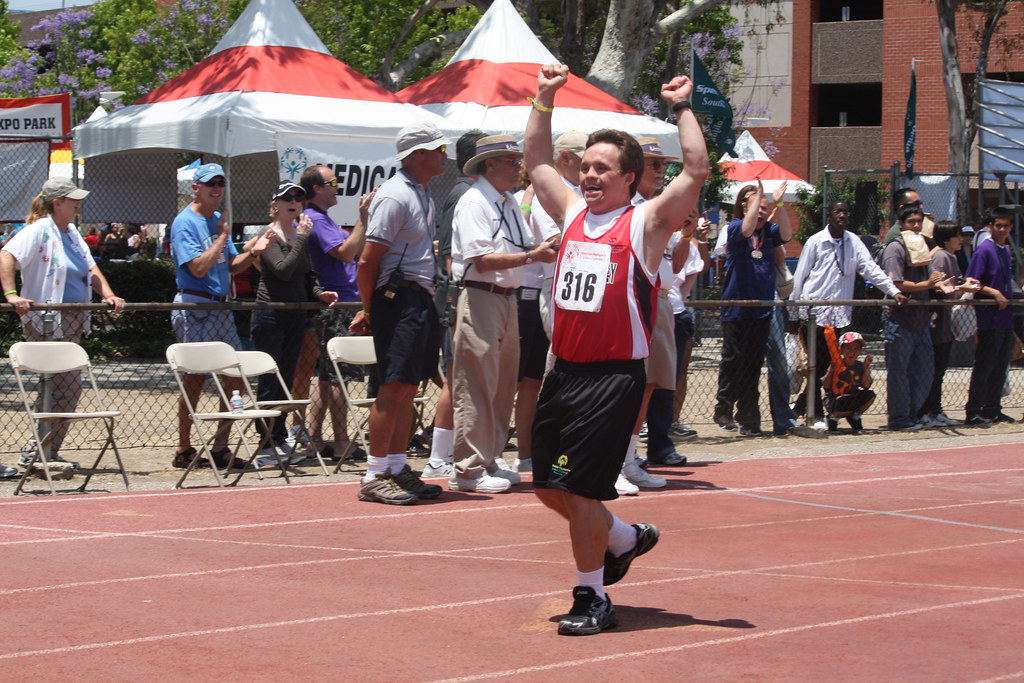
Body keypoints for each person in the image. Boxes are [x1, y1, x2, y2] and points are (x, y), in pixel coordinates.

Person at [524, 63, 708, 636]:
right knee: (549, 486)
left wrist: (682, 107)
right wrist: (544, 98)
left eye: (604, 169)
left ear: (631, 178)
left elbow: (697, 168)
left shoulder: (646, 224)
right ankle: (624, 537)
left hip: (613, 378)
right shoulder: (573, 213)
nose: (589, 176)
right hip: (565, 373)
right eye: (585, 167)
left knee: (579, 490)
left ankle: (592, 595)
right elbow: (534, 160)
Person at [448, 135, 558, 493]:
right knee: (476, 384)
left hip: (507, 297)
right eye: (510, 162)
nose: (517, 168)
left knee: (501, 384)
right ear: (489, 164)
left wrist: (545, 247)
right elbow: (481, 260)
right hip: (481, 296)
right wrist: (533, 257)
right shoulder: (473, 202)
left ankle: (489, 458)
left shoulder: (508, 200)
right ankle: (467, 469)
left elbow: (525, 244)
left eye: (517, 161)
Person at [349, 122, 450, 505]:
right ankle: (375, 474)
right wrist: (371, 308)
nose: (443, 154)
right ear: (418, 155)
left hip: (417, 298)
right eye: (437, 148)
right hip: (400, 298)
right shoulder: (395, 195)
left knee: (408, 387)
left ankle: (395, 465)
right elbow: (366, 262)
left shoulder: (420, 192)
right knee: (393, 388)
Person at [0, 177, 126, 475]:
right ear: (57, 203)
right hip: (46, 321)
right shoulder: (39, 229)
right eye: (72, 200)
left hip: (70, 320)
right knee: (62, 388)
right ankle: (38, 452)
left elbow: (90, 268)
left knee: (64, 388)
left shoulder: (70, 232)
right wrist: (11, 294)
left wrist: (107, 294)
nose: (78, 203)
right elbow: (6, 254)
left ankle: (45, 451)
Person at [170, 162, 275, 470]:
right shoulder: (185, 223)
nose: (217, 188)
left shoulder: (218, 220)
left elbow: (231, 266)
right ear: (196, 187)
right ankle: (184, 448)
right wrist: (221, 237)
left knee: (234, 377)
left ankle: (220, 447)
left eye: (220, 182)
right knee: (195, 378)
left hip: (220, 306)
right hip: (195, 306)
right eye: (210, 182)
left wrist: (255, 251)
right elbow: (198, 268)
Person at [790, 200, 904, 426]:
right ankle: (815, 415)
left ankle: (801, 407)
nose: (841, 215)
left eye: (845, 212)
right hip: (815, 315)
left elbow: (871, 270)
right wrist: (793, 314)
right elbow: (800, 276)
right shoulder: (816, 242)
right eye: (837, 211)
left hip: (840, 315)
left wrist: (893, 291)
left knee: (835, 366)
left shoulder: (854, 242)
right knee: (816, 366)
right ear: (829, 215)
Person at [250, 180, 339, 465]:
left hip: (295, 315)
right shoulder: (270, 236)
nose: (293, 202)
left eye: (298, 199)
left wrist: (319, 293)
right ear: (274, 205)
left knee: (286, 380)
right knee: (269, 380)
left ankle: (279, 440)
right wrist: (301, 238)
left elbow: (306, 276)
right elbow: (283, 271)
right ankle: (266, 444)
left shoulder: (299, 236)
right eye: (287, 198)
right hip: (270, 314)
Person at [422, 130, 487, 478]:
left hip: (462, 297)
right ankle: (438, 457)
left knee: (463, 377)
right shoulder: (464, 195)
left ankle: (456, 452)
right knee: (455, 377)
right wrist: (457, 299)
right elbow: (449, 257)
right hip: (457, 299)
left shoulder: (475, 194)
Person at [302, 165, 371, 462]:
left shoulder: (321, 218)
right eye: (332, 182)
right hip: (337, 305)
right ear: (317, 188)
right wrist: (363, 219)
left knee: (329, 378)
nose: (337, 187)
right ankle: (341, 442)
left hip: (342, 303)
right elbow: (345, 252)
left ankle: (315, 440)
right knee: (339, 377)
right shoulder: (316, 219)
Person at [713, 179, 792, 436]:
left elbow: (787, 235)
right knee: (733, 359)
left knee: (752, 364)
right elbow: (746, 231)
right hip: (736, 306)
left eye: (763, 206)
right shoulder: (735, 227)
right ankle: (723, 407)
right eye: (754, 205)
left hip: (762, 308)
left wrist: (779, 203)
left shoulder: (768, 231)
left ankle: (748, 415)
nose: (760, 211)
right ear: (744, 207)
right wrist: (756, 201)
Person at [881, 205, 951, 431]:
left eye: (919, 222)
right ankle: (899, 419)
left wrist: (940, 285)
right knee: (899, 371)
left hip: (921, 321)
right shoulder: (895, 248)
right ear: (900, 224)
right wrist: (927, 284)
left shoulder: (921, 246)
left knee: (925, 370)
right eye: (911, 222)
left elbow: (931, 278)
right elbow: (896, 284)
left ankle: (913, 414)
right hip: (899, 320)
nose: (916, 226)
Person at [921, 221, 977, 427]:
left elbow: (956, 283)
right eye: (956, 236)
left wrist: (965, 284)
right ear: (946, 239)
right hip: (938, 322)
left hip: (946, 323)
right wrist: (959, 287)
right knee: (935, 369)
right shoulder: (942, 256)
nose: (960, 239)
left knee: (940, 369)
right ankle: (928, 410)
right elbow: (939, 285)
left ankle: (936, 409)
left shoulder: (950, 256)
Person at [965, 206, 1017, 425]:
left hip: (1005, 318)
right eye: (998, 226)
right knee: (985, 365)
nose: (1002, 229)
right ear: (991, 226)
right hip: (988, 318)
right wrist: (993, 292)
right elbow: (971, 282)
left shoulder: (1005, 250)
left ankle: (992, 408)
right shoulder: (984, 250)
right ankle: (974, 409)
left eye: (1006, 226)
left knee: (1001, 365)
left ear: (1011, 228)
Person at [822, 329, 875, 432]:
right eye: (848, 348)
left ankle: (855, 416)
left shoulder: (859, 366)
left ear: (860, 351)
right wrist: (831, 371)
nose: (852, 352)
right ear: (841, 350)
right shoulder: (837, 364)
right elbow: (826, 386)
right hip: (835, 399)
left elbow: (866, 385)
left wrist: (866, 366)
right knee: (843, 400)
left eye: (856, 349)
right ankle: (833, 418)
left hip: (852, 396)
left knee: (869, 395)